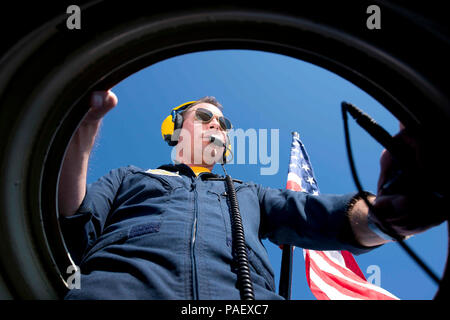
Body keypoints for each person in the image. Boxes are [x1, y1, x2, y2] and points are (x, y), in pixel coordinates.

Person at [58, 90, 445, 299]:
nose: (217, 126)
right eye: (204, 117)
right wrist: (78, 140)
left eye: (223, 122)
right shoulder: (128, 177)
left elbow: (325, 217)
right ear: (175, 129)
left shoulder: (249, 194)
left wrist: (388, 214)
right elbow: (73, 226)